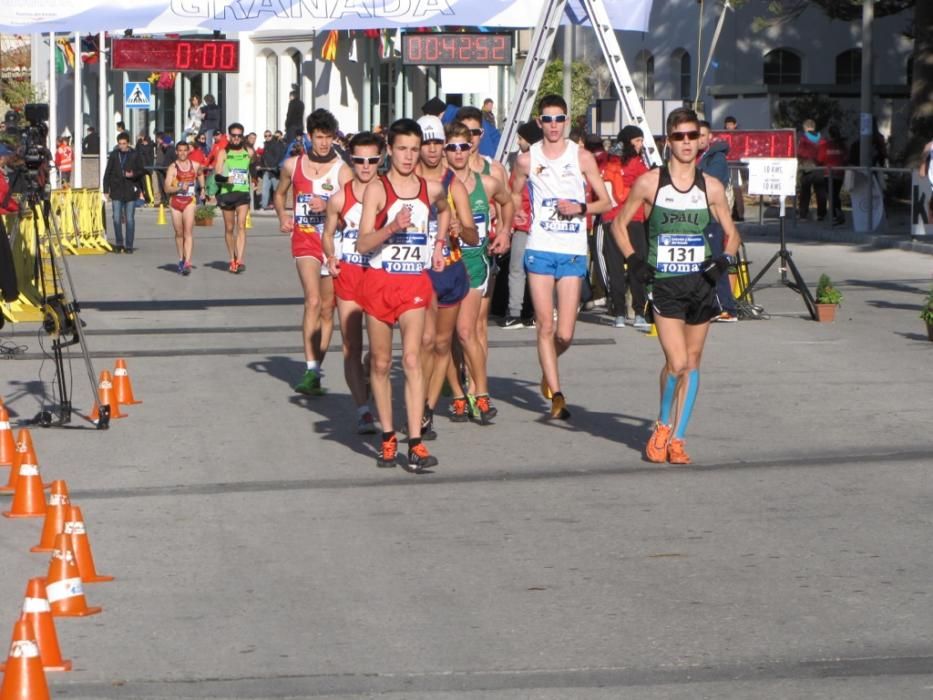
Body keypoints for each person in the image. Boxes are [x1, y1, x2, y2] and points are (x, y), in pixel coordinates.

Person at [613, 107, 742, 464]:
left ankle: (679, 438)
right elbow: (618, 225)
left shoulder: (711, 187)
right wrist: (634, 261)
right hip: (665, 285)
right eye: (678, 136)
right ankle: (662, 426)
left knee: (694, 361)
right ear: (667, 141)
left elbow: (732, 235)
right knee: (677, 361)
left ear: (700, 141)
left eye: (691, 136)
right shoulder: (650, 182)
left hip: (701, 283)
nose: (686, 143)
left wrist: (724, 260)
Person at [356, 118, 450, 473]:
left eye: (414, 149)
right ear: (389, 151)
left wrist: (439, 244)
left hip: (413, 283)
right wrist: (393, 227)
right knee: (380, 363)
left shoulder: (431, 188)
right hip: (380, 281)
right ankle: (388, 437)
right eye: (402, 149)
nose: (409, 156)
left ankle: (416, 443)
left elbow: (445, 209)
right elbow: (364, 242)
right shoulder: (378, 190)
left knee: (412, 359)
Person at [509, 94, 611, 420]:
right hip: (539, 247)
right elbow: (512, 193)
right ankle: (557, 394)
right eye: (547, 119)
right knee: (544, 325)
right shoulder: (527, 159)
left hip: (571, 250)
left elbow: (605, 202)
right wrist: (515, 216)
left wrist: (580, 208)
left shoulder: (581, 157)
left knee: (564, 333)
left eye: (559, 119)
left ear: (567, 121)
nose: (553, 125)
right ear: (539, 122)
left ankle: (547, 365)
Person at [274, 108, 352, 396]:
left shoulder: (343, 170)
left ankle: (316, 366)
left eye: (328, 138)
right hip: (305, 239)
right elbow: (279, 193)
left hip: (333, 242)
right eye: (319, 137)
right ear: (309, 136)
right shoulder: (293, 165)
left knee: (327, 310)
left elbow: (352, 208)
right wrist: (283, 215)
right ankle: (310, 369)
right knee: (313, 300)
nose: (323, 143)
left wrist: (331, 205)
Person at [443, 119, 513, 423]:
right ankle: (458, 394)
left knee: (466, 330)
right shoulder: (435, 185)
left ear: (471, 147)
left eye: (463, 146)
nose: (458, 153)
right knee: (444, 337)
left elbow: (508, 202)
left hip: (473, 262)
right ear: (444, 150)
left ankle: (480, 392)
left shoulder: (486, 182)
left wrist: (505, 231)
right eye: (451, 147)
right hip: (444, 266)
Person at [414, 114, 477, 440]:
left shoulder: (453, 184)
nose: (434, 149)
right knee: (423, 342)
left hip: (449, 270)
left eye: (438, 142)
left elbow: (473, 236)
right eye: (428, 143)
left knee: (441, 344)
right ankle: (418, 402)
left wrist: (458, 229)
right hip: (417, 273)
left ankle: (425, 408)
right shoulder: (407, 180)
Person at [321, 131, 382, 434]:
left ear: (380, 159)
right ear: (351, 160)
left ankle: (371, 375)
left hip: (380, 276)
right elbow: (328, 234)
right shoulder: (340, 197)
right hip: (349, 274)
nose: (366, 166)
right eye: (359, 160)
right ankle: (363, 410)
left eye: (372, 160)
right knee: (351, 345)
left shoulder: (387, 192)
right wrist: (331, 257)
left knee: (378, 350)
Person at [600, 125, 650, 329]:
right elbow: (649, 185)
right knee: (637, 264)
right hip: (634, 219)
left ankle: (619, 312)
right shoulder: (637, 163)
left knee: (615, 267)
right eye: (637, 140)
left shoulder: (607, 160)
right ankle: (639, 312)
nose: (640, 144)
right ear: (629, 141)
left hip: (611, 219)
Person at [501, 120, 542, 329]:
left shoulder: (527, 163)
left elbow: (511, 193)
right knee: (530, 269)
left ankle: (523, 312)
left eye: (521, 138)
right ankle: (526, 312)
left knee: (520, 269)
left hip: (530, 226)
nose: (518, 142)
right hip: (530, 225)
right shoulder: (525, 161)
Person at [697, 120, 738, 322]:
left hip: (714, 218)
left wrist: (687, 173)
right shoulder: (699, 157)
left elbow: (710, 183)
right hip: (700, 217)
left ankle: (726, 307)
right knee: (704, 262)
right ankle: (712, 305)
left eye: (703, 135)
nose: (699, 139)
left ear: (710, 137)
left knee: (716, 262)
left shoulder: (717, 158)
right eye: (697, 135)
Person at [213, 123, 255, 273]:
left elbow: (253, 167)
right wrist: (226, 180)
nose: (236, 138)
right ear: (229, 136)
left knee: (242, 225)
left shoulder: (248, 151)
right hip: (227, 193)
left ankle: (240, 259)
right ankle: (232, 257)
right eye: (234, 135)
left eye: (239, 135)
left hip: (243, 192)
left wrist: (254, 180)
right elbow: (217, 175)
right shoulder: (223, 153)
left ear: (242, 136)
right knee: (229, 228)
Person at [164, 140, 205, 275]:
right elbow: (166, 188)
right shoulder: (173, 167)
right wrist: (180, 187)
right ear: (176, 152)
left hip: (189, 201)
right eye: (180, 150)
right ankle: (181, 258)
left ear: (188, 151)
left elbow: (200, 173)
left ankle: (187, 261)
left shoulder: (194, 164)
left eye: (184, 150)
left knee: (188, 232)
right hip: (175, 201)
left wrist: (203, 188)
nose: (182, 153)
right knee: (179, 233)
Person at [102, 131, 145, 253]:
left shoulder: (134, 154)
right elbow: (107, 173)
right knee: (116, 218)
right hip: (116, 190)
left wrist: (133, 174)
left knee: (129, 219)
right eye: (120, 144)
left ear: (128, 143)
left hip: (130, 190)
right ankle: (119, 243)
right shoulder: (115, 155)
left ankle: (129, 245)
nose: (122, 146)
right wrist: (106, 190)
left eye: (124, 143)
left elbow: (141, 171)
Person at [797, 118, 827, 221]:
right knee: (820, 192)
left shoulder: (804, 138)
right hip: (820, 167)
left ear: (805, 127)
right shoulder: (822, 138)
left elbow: (800, 152)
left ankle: (803, 215)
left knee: (805, 192)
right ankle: (821, 215)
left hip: (808, 167)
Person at [819, 125, 847, 227]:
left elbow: (820, 159)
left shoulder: (826, 145)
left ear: (830, 134)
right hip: (839, 173)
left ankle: (837, 214)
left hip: (828, 173)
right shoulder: (842, 145)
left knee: (831, 195)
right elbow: (846, 158)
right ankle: (836, 214)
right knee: (835, 194)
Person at [258, 130, 285, 210]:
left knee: (276, 190)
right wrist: (261, 166)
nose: (267, 137)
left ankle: (279, 206)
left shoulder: (276, 144)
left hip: (274, 170)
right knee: (265, 188)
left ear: (271, 136)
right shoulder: (266, 145)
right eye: (265, 136)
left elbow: (278, 157)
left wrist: (273, 167)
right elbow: (264, 157)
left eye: (269, 135)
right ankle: (264, 205)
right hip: (266, 170)